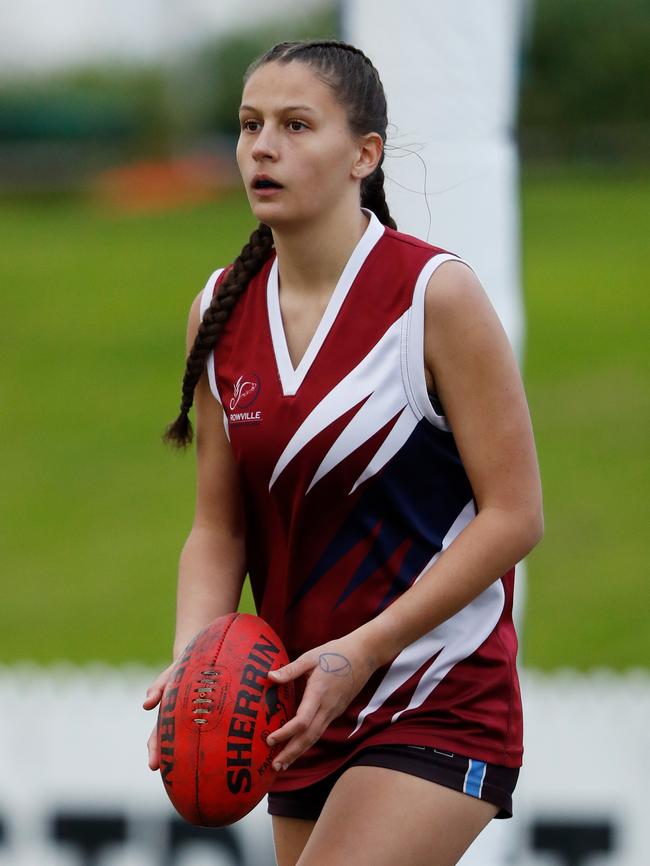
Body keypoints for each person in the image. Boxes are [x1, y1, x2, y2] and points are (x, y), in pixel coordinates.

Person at [143, 39, 543, 866]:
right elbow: (218, 530)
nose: (262, 146)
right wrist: (197, 669)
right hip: (298, 707)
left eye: (296, 125)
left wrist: (364, 649)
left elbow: (516, 516)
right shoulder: (220, 308)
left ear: (365, 154)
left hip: (435, 691)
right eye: (250, 124)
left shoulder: (434, 297)